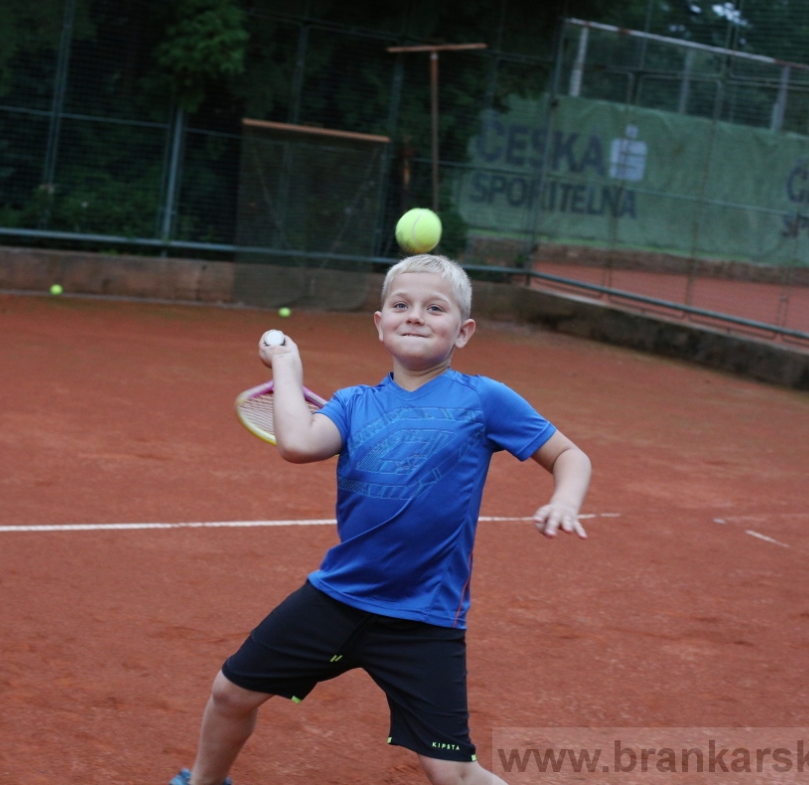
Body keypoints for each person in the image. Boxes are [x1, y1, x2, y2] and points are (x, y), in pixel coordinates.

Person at [172, 254, 592, 785]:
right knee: (230, 692)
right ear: (380, 322)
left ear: (463, 332)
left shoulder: (484, 399)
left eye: (434, 308)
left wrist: (566, 500)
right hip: (338, 597)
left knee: (452, 772)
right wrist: (287, 365)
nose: (415, 316)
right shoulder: (351, 404)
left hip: (423, 618)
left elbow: (569, 455)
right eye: (401, 305)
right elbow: (298, 443)